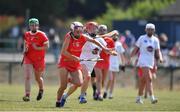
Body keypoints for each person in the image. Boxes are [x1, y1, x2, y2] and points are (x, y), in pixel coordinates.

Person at [56, 21, 113, 108]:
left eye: (80, 30)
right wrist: (74, 57)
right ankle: (62, 100)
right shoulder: (69, 37)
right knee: (64, 85)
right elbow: (63, 52)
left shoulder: (84, 37)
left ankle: (65, 96)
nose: (79, 32)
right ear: (72, 30)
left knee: (79, 83)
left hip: (77, 63)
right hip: (67, 61)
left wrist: (104, 49)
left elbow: (94, 41)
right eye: (76, 30)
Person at [130, 23, 163, 104]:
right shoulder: (142, 38)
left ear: (154, 30)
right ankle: (152, 98)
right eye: (148, 29)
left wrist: (161, 58)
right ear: (145, 30)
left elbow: (158, 51)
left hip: (151, 61)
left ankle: (138, 98)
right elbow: (136, 49)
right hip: (143, 61)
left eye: (152, 29)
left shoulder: (155, 40)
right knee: (149, 78)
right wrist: (130, 57)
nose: (150, 30)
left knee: (143, 81)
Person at [22, 18, 49, 102]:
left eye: (35, 25)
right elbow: (25, 44)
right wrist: (25, 50)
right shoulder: (26, 34)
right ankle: (27, 95)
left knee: (38, 78)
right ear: (29, 26)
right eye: (32, 25)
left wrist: (37, 48)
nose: (34, 27)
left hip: (39, 60)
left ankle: (41, 89)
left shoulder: (42, 34)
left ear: (38, 26)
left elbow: (47, 46)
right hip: (28, 57)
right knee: (27, 76)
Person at [94, 24, 115, 101]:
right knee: (99, 78)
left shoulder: (110, 40)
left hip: (106, 62)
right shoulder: (95, 39)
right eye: (100, 30)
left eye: (103, 30)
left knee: (103, 80)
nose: (102, 31)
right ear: (98, 31)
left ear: (106, 31)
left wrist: (111, 52)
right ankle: (100, 94)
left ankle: (97, 91)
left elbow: (113, 50)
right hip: (97, 61)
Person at [103, 31, 126, 99]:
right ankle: (106, 91)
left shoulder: (119, 44)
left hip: (116, 63)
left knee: (113, 79)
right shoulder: (108, 42)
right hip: (109, 62)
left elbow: (121, 55)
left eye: (116, 35)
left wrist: (123, 64)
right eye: (113, 35)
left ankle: (110, 93)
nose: (115, 36)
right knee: (110, 78)